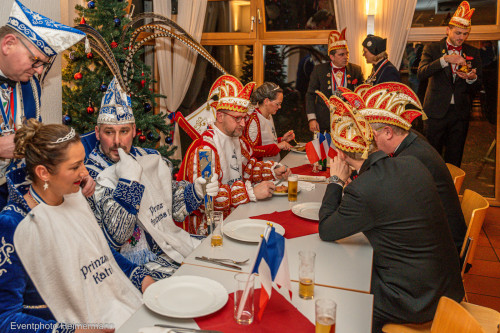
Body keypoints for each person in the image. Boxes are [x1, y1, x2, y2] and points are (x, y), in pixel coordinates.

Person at [316, 93, 464, 333]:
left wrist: (335, 180)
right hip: (447, 285)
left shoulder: (364, 190)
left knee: (344, 289)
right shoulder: (412, 164)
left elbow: (326, 230)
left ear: (341, 155)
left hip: (416, 300)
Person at [0, 119, 154, 332]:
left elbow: (101, 254)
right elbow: (7, 320)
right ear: (44, 173)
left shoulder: (74, 198)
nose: (85, 173)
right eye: (75, 167)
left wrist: (142, 278)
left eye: (83, 162)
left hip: (109, 309)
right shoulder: (13, 225)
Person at [85, 78, 218, 278]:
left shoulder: (147, 157)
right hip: (132, 268)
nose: (117, 142)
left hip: (169, 246)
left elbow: (170, 206)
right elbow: (117, 238)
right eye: (108, 132)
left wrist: (196, 191)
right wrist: (128, 183)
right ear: (97, 133)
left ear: (134, 131)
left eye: (124, 131)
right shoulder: (90, 175)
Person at [354, 82, 466, 254]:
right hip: (436, 233)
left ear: (388, 132)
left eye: (373, 136)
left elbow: (390, 202)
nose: (371, 143)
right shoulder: (411, 141)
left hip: (442, 249)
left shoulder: (412, 158)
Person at [0, 0, 89, 209]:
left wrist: (74, 172)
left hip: (16, 190)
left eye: (44, 64)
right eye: (36, 60)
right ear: (8, 44)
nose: (39, 71)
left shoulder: (31, 85)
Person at [177, 74, 290, 234]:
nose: (243, 124)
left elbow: (248, 168)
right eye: (237, 119)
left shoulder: (237, 138)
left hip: (237, 214)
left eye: (244, 118)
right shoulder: (205, 150)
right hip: (210, 227)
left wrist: (272, 169)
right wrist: (250, 192)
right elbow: (207, 200)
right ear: (220, 116)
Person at [417, 1, 482, 167]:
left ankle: (452, 190)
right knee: (432, 157)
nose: (461, 37)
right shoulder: (432, 48)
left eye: (465, 34)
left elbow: (477, 86)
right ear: (448, 30)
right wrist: (444, 60)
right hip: (435, 113)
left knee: (455, 157)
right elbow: (421, 73)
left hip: (459, 114)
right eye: (458, 33)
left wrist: (471, 78)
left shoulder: (473, 52)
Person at [306, 28, 364, 133]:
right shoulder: (319, 70)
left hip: (349, 123)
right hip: (324, 122)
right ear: (332, 56)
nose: (346, 57)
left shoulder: (356, 70)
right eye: (341, 55)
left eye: (347, 53)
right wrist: (312, 119)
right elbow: (310, 95)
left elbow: (362, 95)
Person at [243, 82, 295, 162]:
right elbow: (251, 150)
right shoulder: (254, 119)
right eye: (277, 104)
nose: (279, 107)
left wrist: (282, 140)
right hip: (262, 168)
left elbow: (266, 142)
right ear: (266, 101)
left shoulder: (269, 115)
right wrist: (277, 147)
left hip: (273, 164)